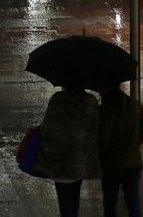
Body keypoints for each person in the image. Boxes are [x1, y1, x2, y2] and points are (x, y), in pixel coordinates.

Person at [36, 84, 101, 216]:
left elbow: (47, 129)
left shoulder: (56, 99)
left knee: (64, 200)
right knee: (75, 194)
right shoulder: (90, 101)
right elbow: (96, 129)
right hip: (80, 160)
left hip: (59, 160)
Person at [98, 85, 143, 217]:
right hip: (133, 164)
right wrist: (132, 148)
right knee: (134, 204)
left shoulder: (104, 111)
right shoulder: (136, 106)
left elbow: (103, 140)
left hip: (111, 166)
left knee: (110, 205)